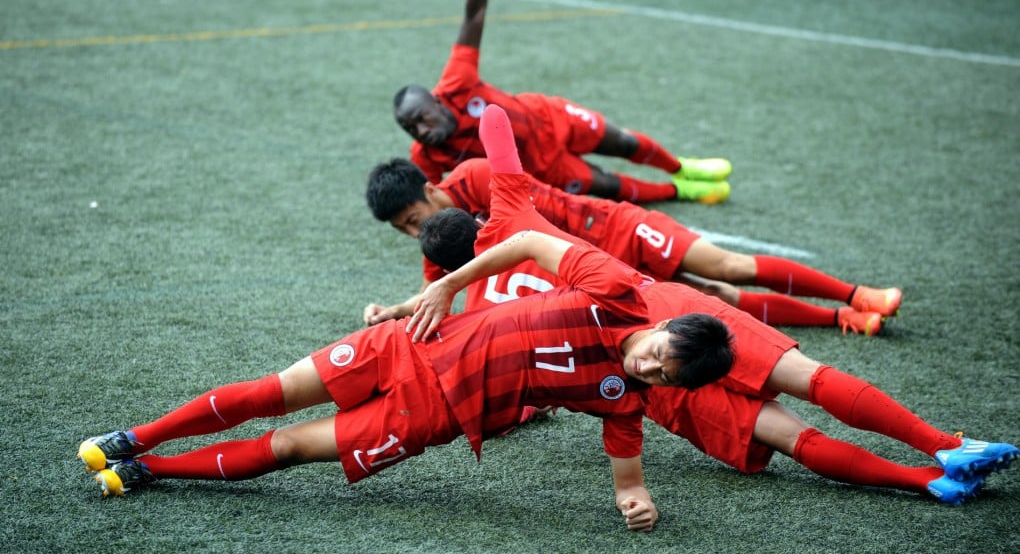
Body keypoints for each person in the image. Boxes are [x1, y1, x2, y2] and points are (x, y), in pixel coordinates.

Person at [409, 104, 1018, 507]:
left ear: (441, 264)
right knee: (808, 377)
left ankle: (927, 482)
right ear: (474, 221)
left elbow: (497, 372)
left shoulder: (477, 309)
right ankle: (943, 444)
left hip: (643, 381)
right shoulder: (509, 213)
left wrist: (421, 306)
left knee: (789, 435)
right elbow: (494, 125)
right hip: (662, 314)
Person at [76, 219, 737, 534]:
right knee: (267, 393)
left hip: (429, 417)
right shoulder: (616, 289)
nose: (649, 366)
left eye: (665, 375)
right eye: (660, 351)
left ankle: (148, 470)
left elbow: (628, 475)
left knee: (289, 448)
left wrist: (635, 502)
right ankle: (136, 437)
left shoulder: (624, 401)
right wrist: (446, 286)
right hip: (410, 343)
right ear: (662, 324)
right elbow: (530, 243)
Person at [393, 0, 731, 206]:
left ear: (436, 101)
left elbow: (475, 11)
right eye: (410, 129)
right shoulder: (426, 156)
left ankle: (680, 167)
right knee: (606, 185)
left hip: (549, 119)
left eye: (421, 118)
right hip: (539, 170)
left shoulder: (457, 82)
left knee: (622, 141)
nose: (421, 131)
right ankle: (679, 190)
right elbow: (433, 204)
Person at [364, 155, 901, 336]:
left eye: (413, 220)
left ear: (430, 189)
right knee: (714, 298)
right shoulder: (443, 242)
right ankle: (843, 318)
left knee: (727, 265)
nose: (415, 234)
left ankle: (857, 293)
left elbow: (535, 218)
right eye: (404, 231)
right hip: (597, 269)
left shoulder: (481, 177)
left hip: (612, 227)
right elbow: (438, 291)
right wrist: (392, 312)